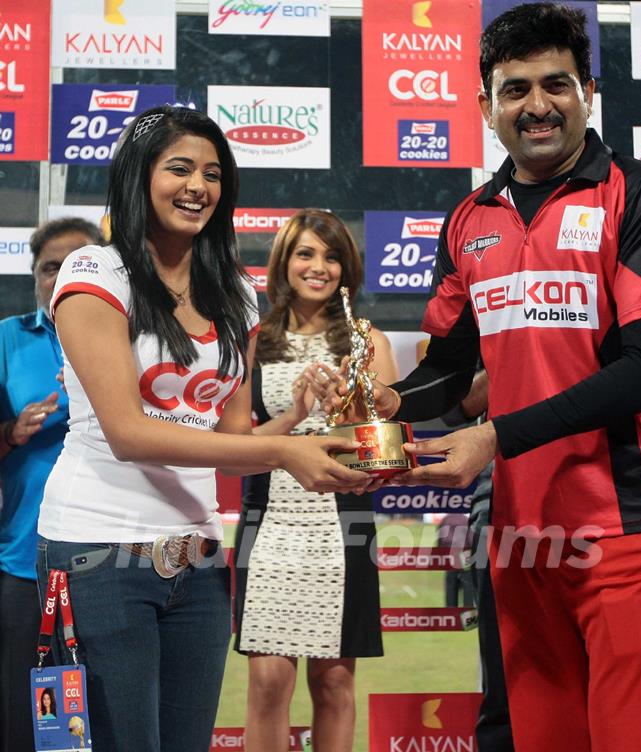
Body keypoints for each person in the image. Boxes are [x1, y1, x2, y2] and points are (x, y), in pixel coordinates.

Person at [323, 5, 641, 752]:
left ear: (588, 90)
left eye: (555, 84)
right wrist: (394, 401)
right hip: (523, 537)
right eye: (515, 88)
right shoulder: (470, 219)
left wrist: (494, 435)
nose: (537, 105)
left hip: (632, 526)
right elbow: (450, 368)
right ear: (484, 105)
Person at [35, 108, 370, 752]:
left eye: (212, 174)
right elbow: (130, 434)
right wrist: (285, 449)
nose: (198, 187)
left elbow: (236, 444)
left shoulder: (236, 294)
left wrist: (296, 427)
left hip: (199, 559)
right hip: (98, 552)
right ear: (140, 176)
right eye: (180, 168)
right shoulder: (94, 273)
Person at [234, 208, 399, 752]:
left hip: (340, 525)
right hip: (270, 523)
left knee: (333, 682)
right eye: (305, 253)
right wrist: (295, 413)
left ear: (347, 267)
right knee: (267, 683)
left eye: (331, 256)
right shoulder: (254, 339)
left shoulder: (365, 339)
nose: (318, 266)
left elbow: (383, 451)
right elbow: (237, 449)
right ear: (284, 262)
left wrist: (347, 416)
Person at [0, 217, 103, 752]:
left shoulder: (130, 339)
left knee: (102, 717)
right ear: (35, 276)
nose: (60, 276)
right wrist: (10, 433)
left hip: (109, 559)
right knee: (25, 721)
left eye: (77, 264)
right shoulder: (6, 338)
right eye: (49, 268)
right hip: (23, 558)